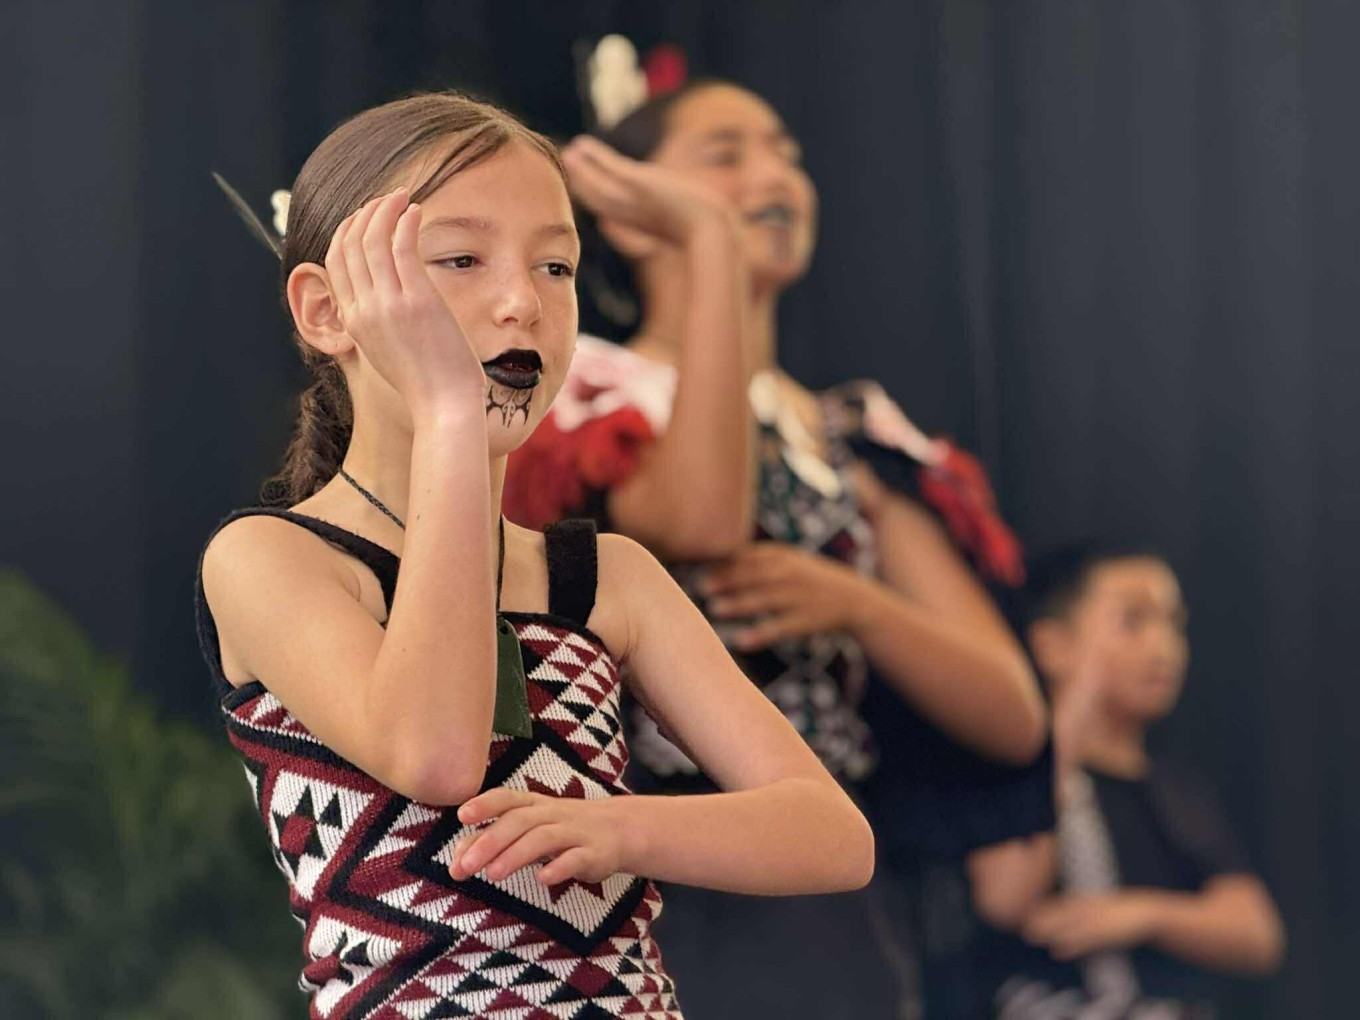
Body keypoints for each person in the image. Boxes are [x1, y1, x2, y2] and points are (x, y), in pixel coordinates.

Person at [194, 92, 875, 1020]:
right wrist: (446, 415)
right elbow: (435, 757)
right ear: (327, 310)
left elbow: (831, 836)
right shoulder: (271, 557)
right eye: (461, 260)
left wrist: (619, 827)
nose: (522, 301)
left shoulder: (605, 576)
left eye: (555, 265)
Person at [503, 77, 1050, 1018]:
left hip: (832, 882)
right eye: (726, 155)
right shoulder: (592, 392)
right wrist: (709, 249)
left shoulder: (850, 435)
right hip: (660, 864)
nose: (776, 175)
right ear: (632, 217)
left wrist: (860, 607)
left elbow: (1013, 714)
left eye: (788, 154)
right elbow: (702, 525)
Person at [969, 544, 1286, 1018]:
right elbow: (1003, 898)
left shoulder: (1174, 787)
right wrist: (1076, 703)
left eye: (1173, 624)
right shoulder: (1016, 770)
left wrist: (1140, 914)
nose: (1163, 646)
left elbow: (1258, 935)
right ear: (1052, 645)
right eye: (1133, 622)